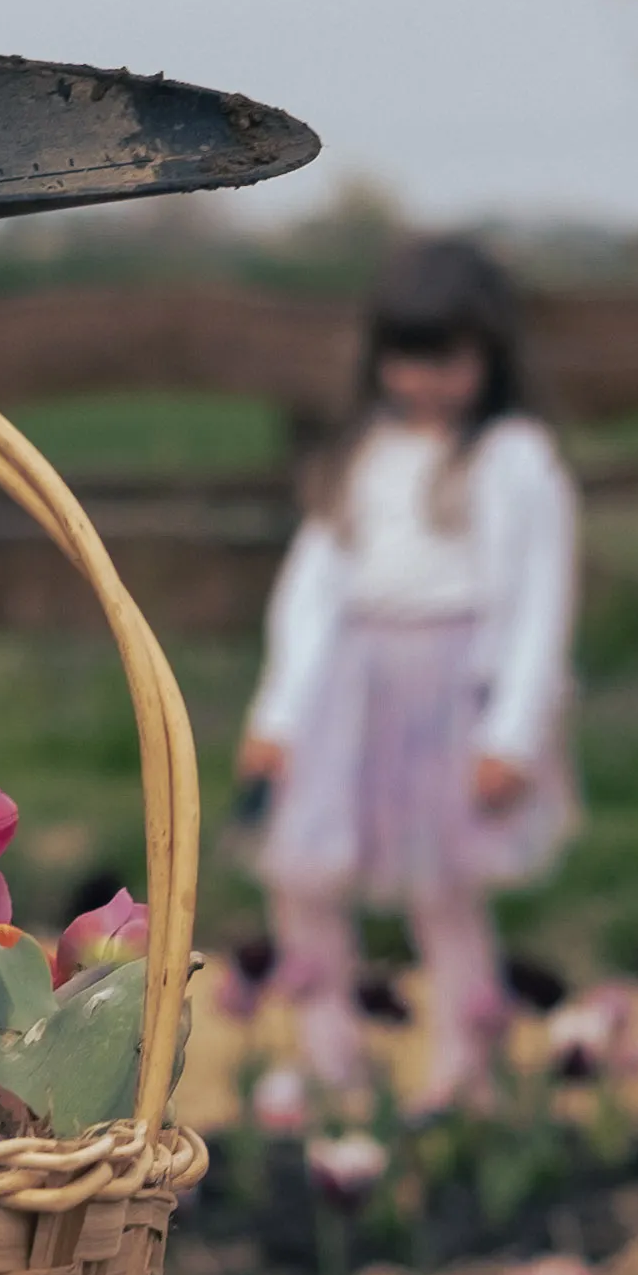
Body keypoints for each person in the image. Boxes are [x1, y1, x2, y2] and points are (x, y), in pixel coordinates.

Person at [237, 239, 582, 1115]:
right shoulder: (363, 454)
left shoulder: (515, 459)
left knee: (444, 889)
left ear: (489, 355)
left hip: (451, 698)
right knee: (302, 875)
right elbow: (310, 593)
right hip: (347, 692)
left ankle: (465, 1071)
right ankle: (327, 1055)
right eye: (408, 358)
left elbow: (541, 606)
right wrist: (277, 717)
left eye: (448, 360)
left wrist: (512, 736)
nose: (424, 381)